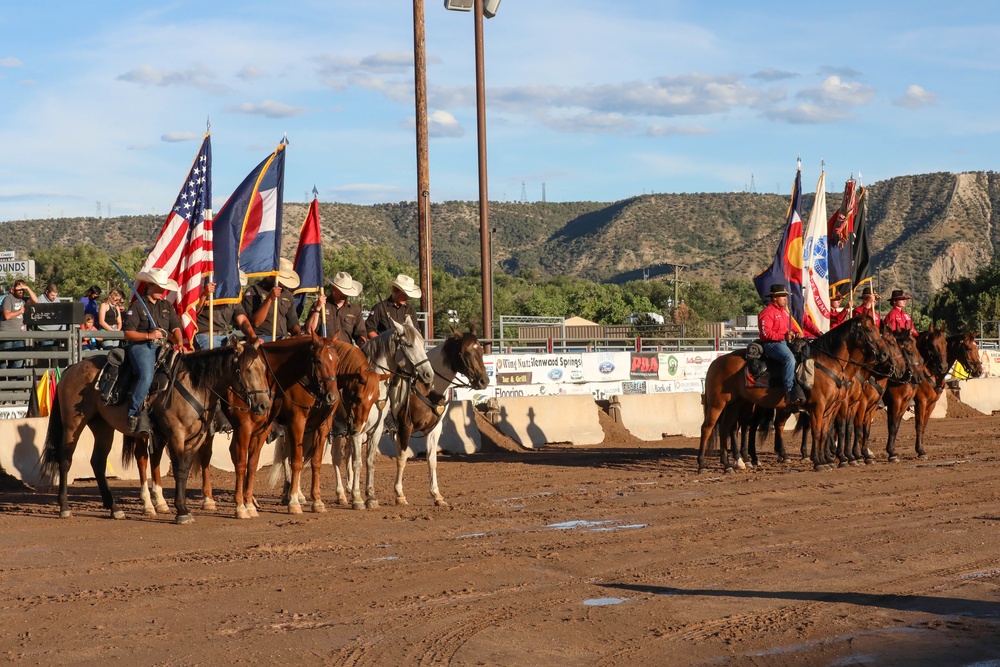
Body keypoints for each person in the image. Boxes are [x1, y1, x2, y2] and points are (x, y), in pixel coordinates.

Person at [123, 268, 183, 434]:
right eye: (159, 286)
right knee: (147, 375)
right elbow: (128, 333)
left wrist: (179, 341)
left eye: (164, 287)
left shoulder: (166, 306)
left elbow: (176, 327)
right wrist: (149, 335)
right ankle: (134, 412)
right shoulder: (136, 306)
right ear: (149, 285)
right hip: (142, 346)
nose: (163, 290)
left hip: (164, 346)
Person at [757, 283, 805, 405]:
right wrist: (783, 336)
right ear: (774, 298)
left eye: (785, 296)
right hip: (771, 344)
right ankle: (789, 391)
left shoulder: (785, 313)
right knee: (789, 358)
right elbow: (765, 334)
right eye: (783, 296)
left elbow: (792, 327)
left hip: (783, 343)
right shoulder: (767, 313)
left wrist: (798, 332)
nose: (785, 298)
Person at [193, 271, 257, 350]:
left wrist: (253, 336)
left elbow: (242, 320)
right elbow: (193, 312)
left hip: (226, 338)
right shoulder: (203, 289)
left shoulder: (233, 298)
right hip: (206, 336)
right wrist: (204, 294)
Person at [242, 258, 301, 342]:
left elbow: (293, 322)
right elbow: (255, 323)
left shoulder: (288, 295)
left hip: (283, 338)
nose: (282, 284)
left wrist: (299, 334)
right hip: (262, 338)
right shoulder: (253, 291)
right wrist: (269, 298)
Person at [306, 271, 366, 345]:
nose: (344, 294)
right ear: (334, 288)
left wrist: (362, 339)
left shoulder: (354, 310)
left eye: (346, 292)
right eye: (341, 291)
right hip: (325, 351)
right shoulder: (321, 305)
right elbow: (309, 330)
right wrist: (318, 308)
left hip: (345, 352)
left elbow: (360, 334)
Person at [366, 273, 420, 339]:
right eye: (403, 294)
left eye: (407, 295)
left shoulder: (410, 309)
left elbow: (415, 330)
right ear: (395, 291)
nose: (406, 297)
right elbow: (369, 330)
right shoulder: (379, 308)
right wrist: (381, 343)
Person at [1, 280, 38, 370]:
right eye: (19, 289)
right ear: (13, 290)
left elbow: (35, 300)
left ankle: (13, 381)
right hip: (7, 334)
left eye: (23, 289)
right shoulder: (8, 299)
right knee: (3, 360)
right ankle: (2, 381)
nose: (21, 291)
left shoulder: (23, 300)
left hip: (18, 335)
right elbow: (7, 315)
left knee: (18, 360)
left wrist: (27, 288)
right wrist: (20, 312)